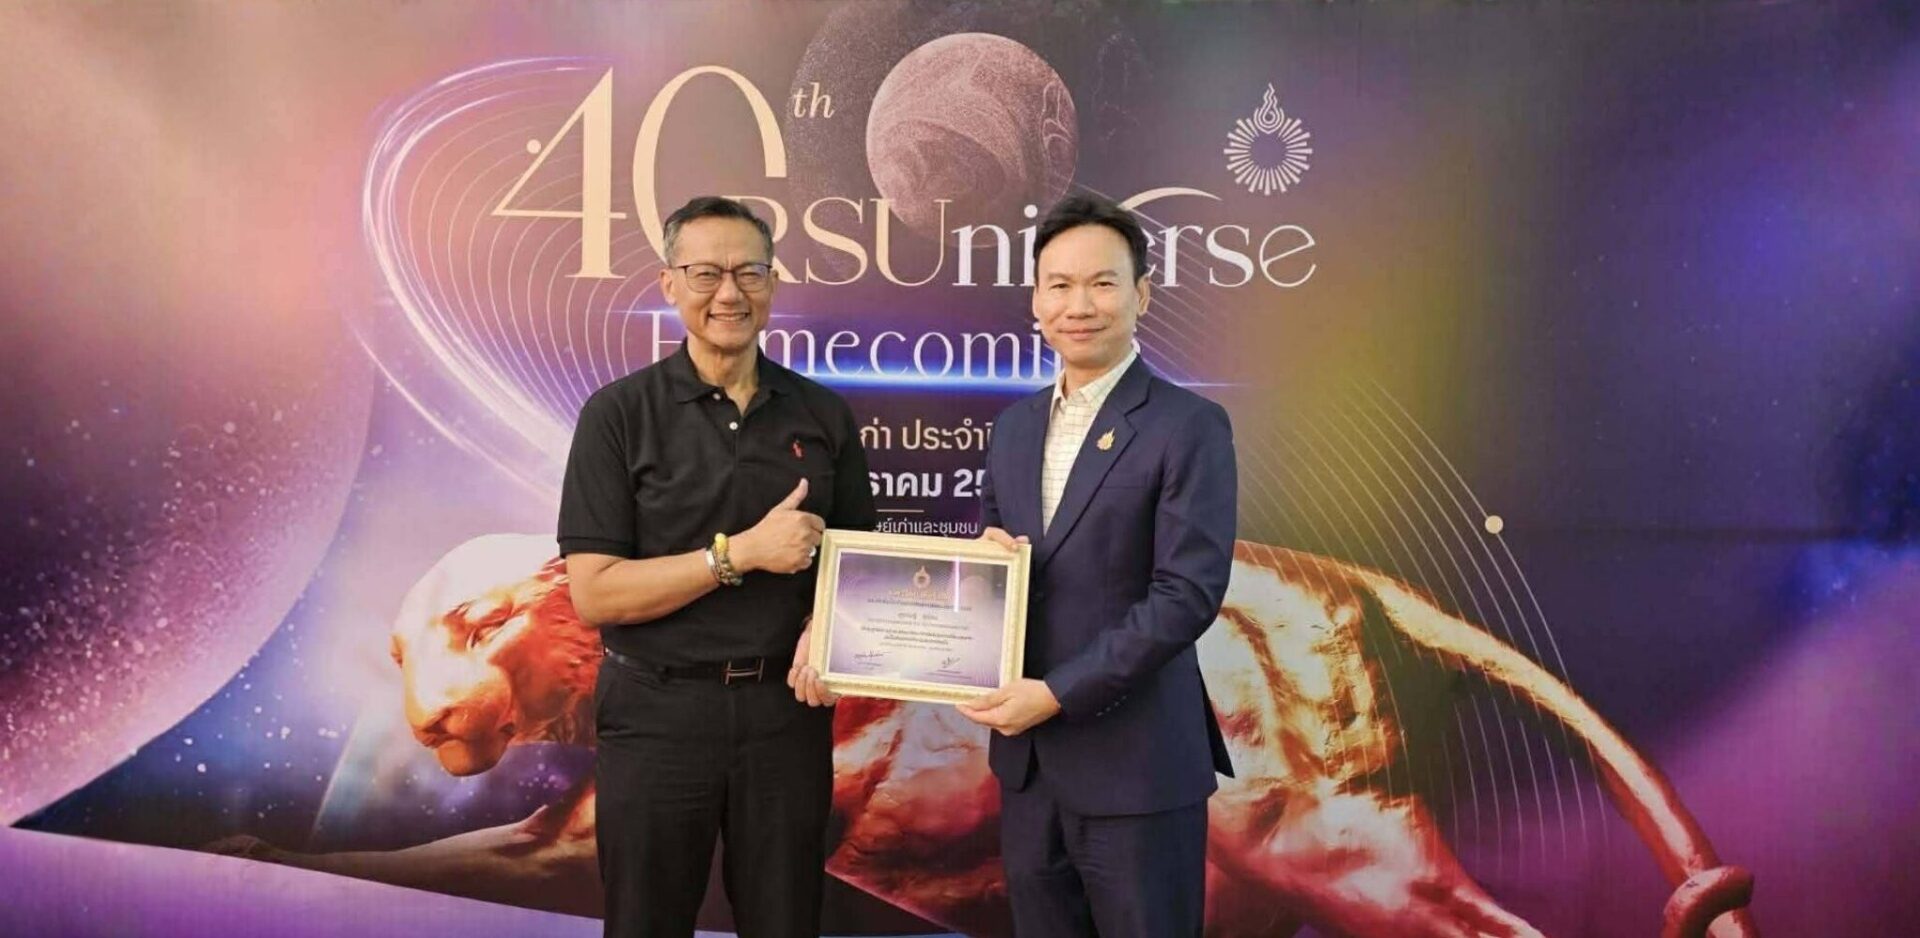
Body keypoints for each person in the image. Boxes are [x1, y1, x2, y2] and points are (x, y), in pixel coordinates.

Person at [557, 195, 874, 938]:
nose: (729, 293)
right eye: (706, 273)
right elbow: (595, 594)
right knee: (646, 922)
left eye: (748, 273)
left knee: (785, 921)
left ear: (773, 283)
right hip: (656, 712)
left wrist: (827, 627)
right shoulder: (618, 415)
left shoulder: (823, 415)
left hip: (784, 717)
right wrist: (738, 555)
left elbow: (859, 567)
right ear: (669, 283)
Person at [957, 193, 1238, 938]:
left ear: (1141, 295)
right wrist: (980, 573)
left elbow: (1186, 594)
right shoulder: (1013, 428)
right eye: (1059, 285)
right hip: (1029, 770)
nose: (1078, 305)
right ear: (1036, 301)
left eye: (1102, 283)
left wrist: (1057, 693)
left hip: (1138, 768)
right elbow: (999, 555)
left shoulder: (1189, 426)